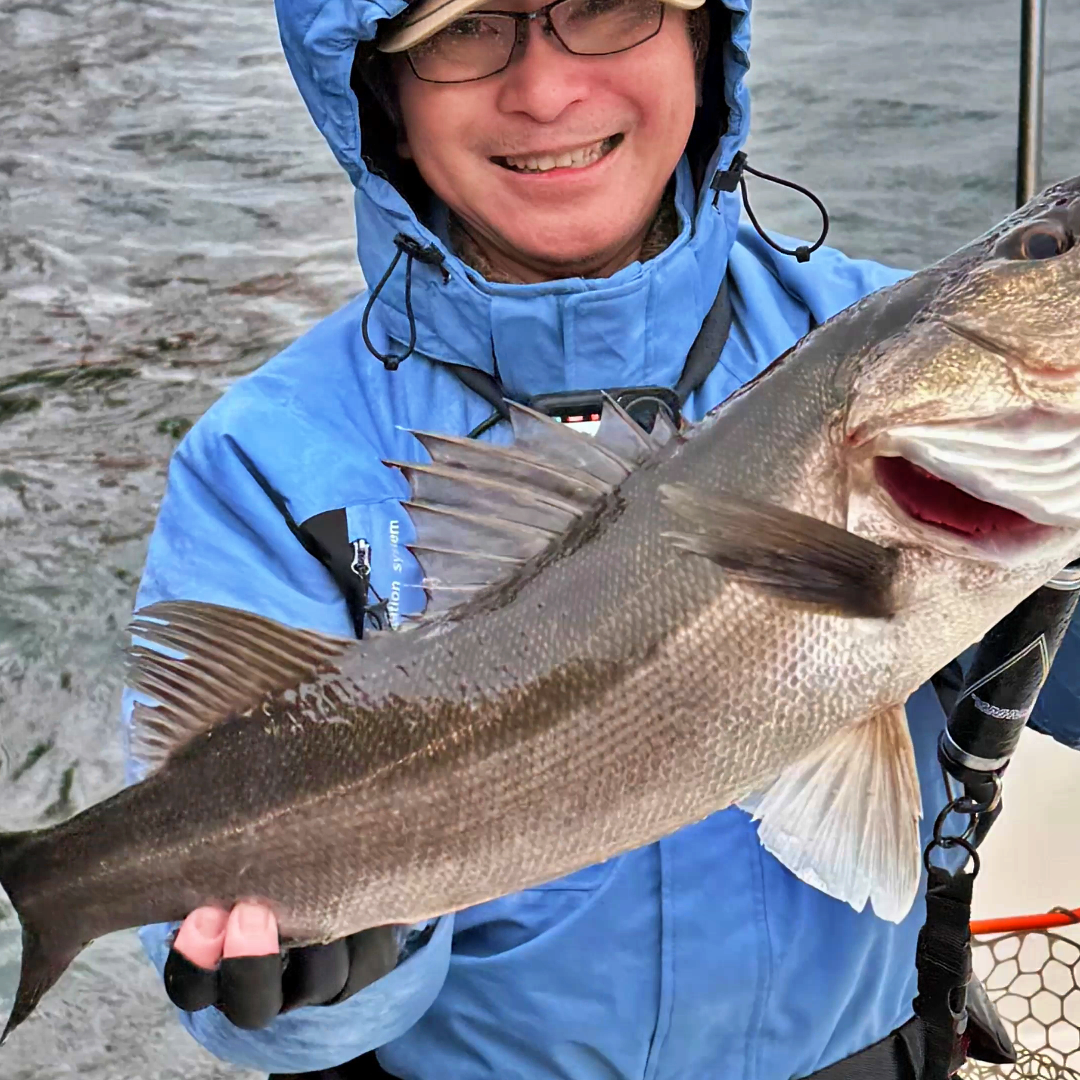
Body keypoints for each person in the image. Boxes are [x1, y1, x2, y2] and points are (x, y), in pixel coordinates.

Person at [123, 0, 1080, 1076]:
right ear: (378, 88)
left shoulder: (867, 334)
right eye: (461, 28)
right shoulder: (268, 460)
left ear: (703, 38)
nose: (545, 91)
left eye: (607, 4)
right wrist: (323, 981)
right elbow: (243, 991)